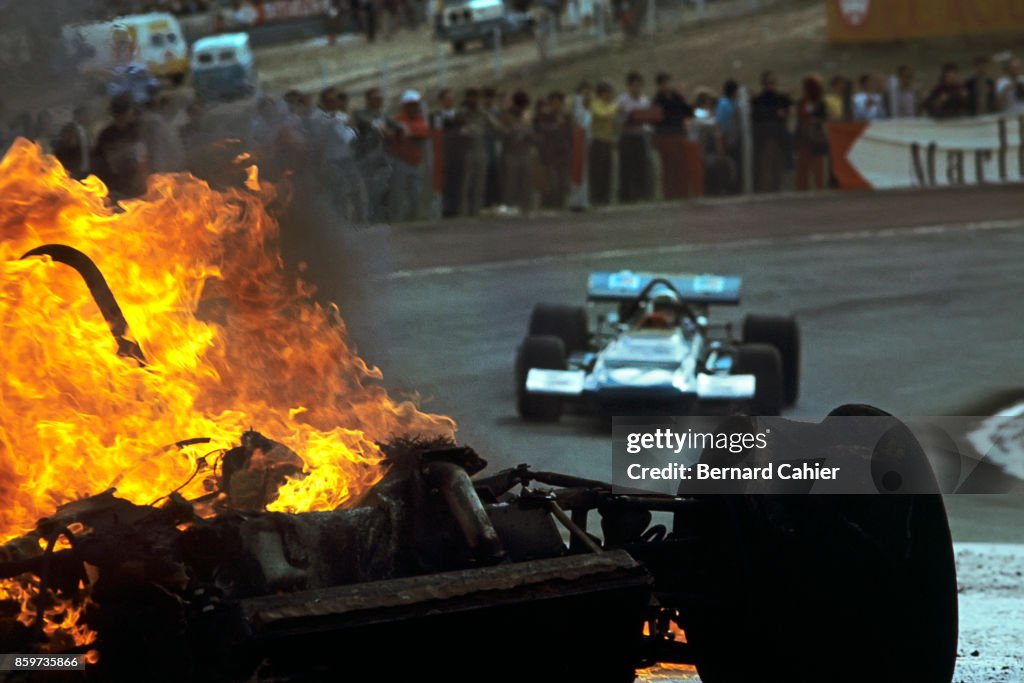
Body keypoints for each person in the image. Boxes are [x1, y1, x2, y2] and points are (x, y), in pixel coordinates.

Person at [353, 87, 397, 222]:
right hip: (367, 159)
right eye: (376, 98)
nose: (379, 101)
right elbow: (366, 122)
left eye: (381, 98)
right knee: (371, 190)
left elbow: (398, 127)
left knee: (386, 190)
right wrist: (382, 128)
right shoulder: (361, 113)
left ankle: (385, 220)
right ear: (368, 99)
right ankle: (370, 221)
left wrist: (396, 131)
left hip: (383, 159)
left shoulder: (383, 115)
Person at [92, 94, 148, 198]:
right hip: (114, 184)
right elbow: (98, 161)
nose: (121, 117)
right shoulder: (107, 134)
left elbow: (150, 157)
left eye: (124, 112)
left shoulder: (141, 130)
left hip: (138, 184)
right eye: (118, 113)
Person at [388, 89, 430, 221]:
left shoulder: (421, 119)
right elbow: (391, 133)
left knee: (415, 193)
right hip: (400, 161)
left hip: (416, 162)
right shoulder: (398, 118)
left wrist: (404, 130)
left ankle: (415, 219)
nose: (413, 107)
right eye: (410, 105)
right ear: (405, 106)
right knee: (397, 193)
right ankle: (396, 220)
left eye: (415, 104)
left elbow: (421, 131)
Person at [652, 72, 694, 200]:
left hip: (679, 134)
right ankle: (669, 194)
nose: (667, 85)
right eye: (664, 83)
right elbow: (655, 118)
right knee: (669, 166)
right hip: (665, 136)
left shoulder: (677, 97)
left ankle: (683, 192)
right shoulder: (657, 100)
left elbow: (688, 111)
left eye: (669, 82)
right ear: (660, 85)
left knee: (681, 165)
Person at [495, 91, 536, 215]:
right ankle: (507, 208)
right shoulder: (505, 116)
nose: (523, 109)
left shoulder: (526, 116)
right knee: (509, 184)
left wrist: (528, 134)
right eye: (521, 106)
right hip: (510, 154)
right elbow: (502, 134)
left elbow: (531, 133)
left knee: (526, 183)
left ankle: (526, 208)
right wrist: (515, 132)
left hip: (525, 153)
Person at [750, 70, 792, 193]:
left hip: (779, 137)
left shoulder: (780, 98)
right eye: (768, 83)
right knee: (766, 166)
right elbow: (758, 115)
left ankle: (776, 189)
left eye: (773, 83)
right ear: (763, 84)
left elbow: (788, 111)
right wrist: (776, 113)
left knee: (778, 166)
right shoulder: (759, 100)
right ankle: (765, 190)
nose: (771, 85)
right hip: (765, 137)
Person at [615, 71, 654, 203]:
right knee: (626, 166)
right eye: (634, 85)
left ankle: (640, 193)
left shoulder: (645, 101)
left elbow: (649, 118)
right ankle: (625, 196)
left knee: (640, 165)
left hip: (640, 136)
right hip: (627, 136)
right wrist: (627, 117)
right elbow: (618, 120)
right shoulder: (622, 100)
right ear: (629, 86)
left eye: (639, 85)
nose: (637, 88)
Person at [534, 91, 573, 210]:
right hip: (550, 153)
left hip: (564, 152)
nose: (556, 105)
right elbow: (542, 130)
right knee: (552, 181)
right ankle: (549, 205)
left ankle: (561, 205)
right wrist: (556, 125)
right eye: (553, 102)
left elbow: (570, 133)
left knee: (563, 181)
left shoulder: (567, 117)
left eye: (558, 102)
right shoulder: (545, 116)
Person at [458, 88, 491, 217]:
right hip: (467, 152)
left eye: (476, 97)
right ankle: (463, 213)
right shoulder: (462, 114)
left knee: (480, 184)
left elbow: (496, 126)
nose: (474, 100)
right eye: (471, 97)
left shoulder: (483, 114)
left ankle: (476, 212)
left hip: (481, 150)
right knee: (466, 184)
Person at [433, 88, 464, 217]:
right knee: (443, 184)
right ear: (441, 101)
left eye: (451, 99)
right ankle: (444, 210)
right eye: (446, 99)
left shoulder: (460, 116)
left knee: (457, 183)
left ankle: (457, 210)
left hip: (457, 154)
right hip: (442, 154)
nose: (449, 101)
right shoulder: (436, 116)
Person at [794, 75, 828, 192]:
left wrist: (815, 121)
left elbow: (823, 118)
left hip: (815, 138)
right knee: (803, 165)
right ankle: (802, 188)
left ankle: (819, 187)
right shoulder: (801, 102)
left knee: (818, 166)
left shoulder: (820, 103)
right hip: (804, 137)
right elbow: (798, 121)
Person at [588, 81, 616, 206]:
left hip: (608, 141)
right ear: (601, 93)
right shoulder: (595, 104)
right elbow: (602, 114)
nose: (609, 94)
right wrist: (616, 109)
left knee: (607, 170)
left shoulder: (611, 105)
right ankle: (595, 197)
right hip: (598, 141)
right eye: (606, 92)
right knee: (597, 171)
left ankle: (605, 197)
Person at [568, 81, 592, 211]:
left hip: (585, 139)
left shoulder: (586, 105)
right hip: (579, 138)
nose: (587, 94)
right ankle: (576, 201)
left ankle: (582, 200)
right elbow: (578, 122)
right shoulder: (578, 102)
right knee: (578, 171)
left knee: (583, 171)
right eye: (585, 91)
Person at [714, 79, 741, 194]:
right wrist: (721, 140)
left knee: (735, 163)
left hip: (735, 137)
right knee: (726, 163)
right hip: (726, 137)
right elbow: (719, 123)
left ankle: (734, 186)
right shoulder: (724, 104)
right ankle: (724, 187)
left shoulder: (735, 103)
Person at [53, 105, 93, 179]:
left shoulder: (85, 131)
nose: (89, 117)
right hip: (74, 172)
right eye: (87, 115)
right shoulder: (69, 130)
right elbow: (62, 150)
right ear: (80, 115)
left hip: (86, 171)